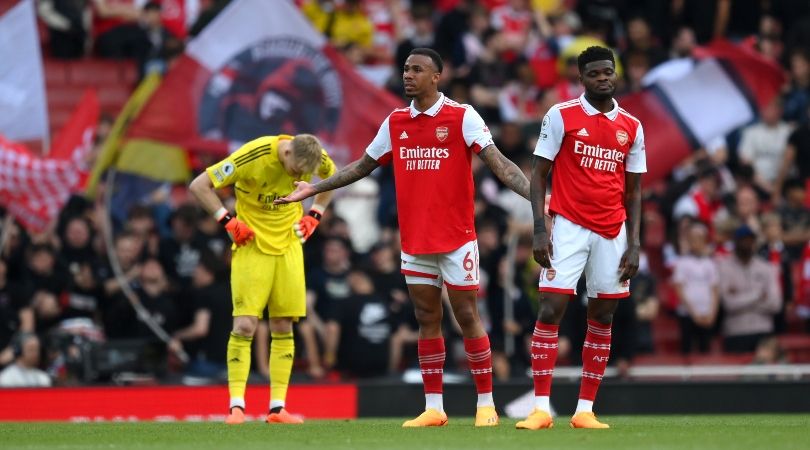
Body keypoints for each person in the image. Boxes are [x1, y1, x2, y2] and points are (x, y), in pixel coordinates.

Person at [276, 48, 530, 428]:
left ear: (436, 76)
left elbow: (501, 166)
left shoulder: (462, 116)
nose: (408, 75)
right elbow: (362, 166)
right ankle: (434, 407)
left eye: (417, 69)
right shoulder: (395, 121)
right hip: (415, 241)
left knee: (466, 316)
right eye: (406, 69)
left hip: (458, 239)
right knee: (427, 318)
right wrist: (313, 188)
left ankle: (486, 404)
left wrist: (538, 198)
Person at [519, 46, 646, 430]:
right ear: (582, 78)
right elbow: (539, 175)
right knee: (550, 308)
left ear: (615, 74)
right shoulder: (561, 116)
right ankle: (541, 407)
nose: (603, 78)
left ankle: (585, 410)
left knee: (603, 315)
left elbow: (635, 190)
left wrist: (635, 242)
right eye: (595, 73)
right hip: (569, 225)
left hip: (613, 230)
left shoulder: (632, 126)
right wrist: (540, 229)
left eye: (608, 71)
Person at [189, 133, 336, 425]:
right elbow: (199, 186)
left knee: (283, 324)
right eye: (296, 170)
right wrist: (227, 220)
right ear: (287, 152)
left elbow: (333, 179)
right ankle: (236, 408)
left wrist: (315, 214)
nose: (299, 176)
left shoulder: (314, 157)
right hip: (251, 244)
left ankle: (277, 409)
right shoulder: (252, 156)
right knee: (245, 325)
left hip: (289, 246)